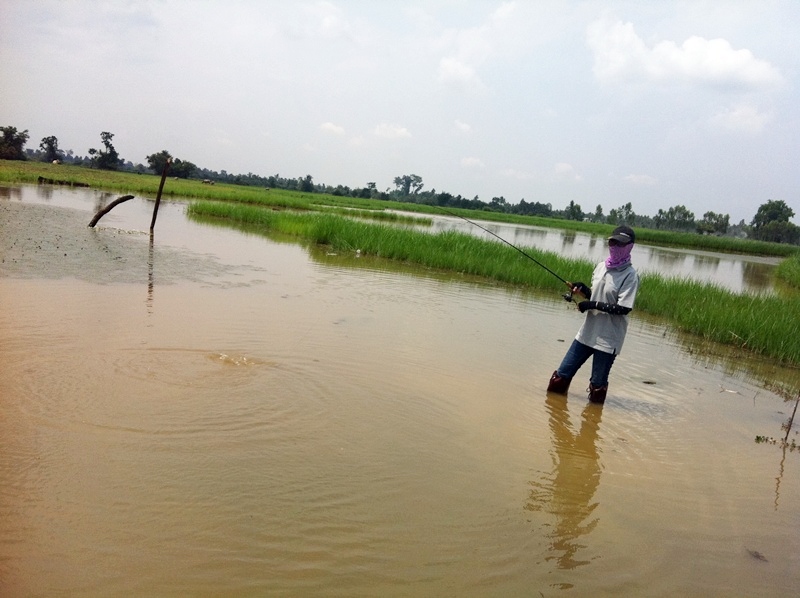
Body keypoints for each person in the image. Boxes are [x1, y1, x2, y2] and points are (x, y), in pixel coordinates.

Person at [547, 225, 640, 404]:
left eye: (620, 244)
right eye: (613, 242)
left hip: (608, 339)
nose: (615, 247)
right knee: (560, 376)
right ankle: (553, 411)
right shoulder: (600, 267)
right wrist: (583, 290)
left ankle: (592, 420)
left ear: (630, 247)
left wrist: (591, 304)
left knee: (597, 385)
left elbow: (623, 308)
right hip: (587, 332)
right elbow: (596, 296)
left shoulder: (630, 276)